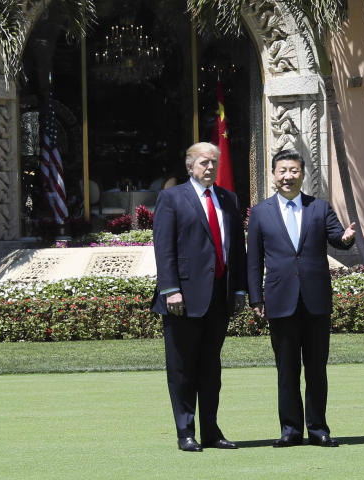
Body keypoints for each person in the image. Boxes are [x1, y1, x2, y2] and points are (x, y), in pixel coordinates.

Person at [247, 149, 356, 448]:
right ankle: (291, 430)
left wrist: (346, 238)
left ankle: (318, 429)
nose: (288, 176)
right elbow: (253, 260)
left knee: (316, 369)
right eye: (282, 171)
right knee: (287, 370)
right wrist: (255, 298)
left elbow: (337, 237)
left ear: (302, 174)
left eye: (293, 170)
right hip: (280, 300)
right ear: (273, 175)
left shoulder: (319, 208)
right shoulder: (261, 212)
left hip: (315, 301)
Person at [151, 142, 247, 452]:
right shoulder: (171, 198)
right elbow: (164, 248)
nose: (210, 167)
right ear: (190, 166)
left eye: (214, 162)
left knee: (210, 369)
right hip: (182, 298)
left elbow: (237, 249)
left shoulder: (228, 199)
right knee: (182, 368)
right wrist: (170, 290)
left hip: (219, 296)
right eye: (204, 162)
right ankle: (185, 432)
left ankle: (211, 432)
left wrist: (240, 289)